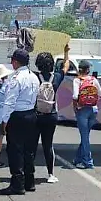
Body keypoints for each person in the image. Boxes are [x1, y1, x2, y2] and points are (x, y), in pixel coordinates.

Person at [0, 48, 41, 195]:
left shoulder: (16, 78)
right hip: (31, 114)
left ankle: (17, 183)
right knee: (29, 150)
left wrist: (4, 121)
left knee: (15, 150)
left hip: (18, 116)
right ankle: (30, 181)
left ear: (15, 62)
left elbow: (10, 102)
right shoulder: (34, 77)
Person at [34, 45, 70, 183]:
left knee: (31, 144)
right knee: (48, 144)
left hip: (36, 114)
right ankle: (50, 174)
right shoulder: (57, 77)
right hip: (51, 114)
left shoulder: (34, 76)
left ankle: (29, 172)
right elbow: (66, 66)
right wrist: (66, 52)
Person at [71, 59, 101, 169]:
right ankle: (77, 159)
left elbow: (75, 96)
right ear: (88, 69)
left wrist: (75, 107)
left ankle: (88, 162)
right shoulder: (93, 80)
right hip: (93, 110)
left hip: (82, 110)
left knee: (85, 137)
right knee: (85, 136)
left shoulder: (77, 80)